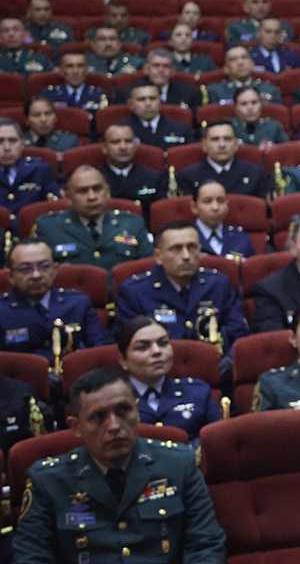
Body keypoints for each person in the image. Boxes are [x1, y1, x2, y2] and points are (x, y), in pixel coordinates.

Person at [12, 368, 226, 562]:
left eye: (123, 410)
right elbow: (31, 557)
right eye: (98, 416)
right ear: (75, 427)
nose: (114, 426)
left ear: (137, 411)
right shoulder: (48, 480)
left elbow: (206, 545)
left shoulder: (179, 464)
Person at [116, 221, 246, 372]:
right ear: (158, 256)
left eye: (192, 248)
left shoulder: (218, 284)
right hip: (159, 374)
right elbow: (129, 345)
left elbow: (237, 332)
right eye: (176, 249)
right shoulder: (135, 291)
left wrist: (228, 362)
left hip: (215, 369)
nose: (186, 256)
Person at [0, 238, 111, 362]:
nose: (36, 275)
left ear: (55, 269)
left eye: (44, 266)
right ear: (10, 276)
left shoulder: (78, 303)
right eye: (25, 269)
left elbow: (101, 349)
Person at [116, 316, 221, 443]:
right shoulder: (112, 400)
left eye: (163, 343)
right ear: (124, 361)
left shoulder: (198, 391)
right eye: (143, 347)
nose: (157, 351)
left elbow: (216, 440)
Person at [34, 166, 153, 270]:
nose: (92, 197)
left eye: (97, 189)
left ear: (108, 192)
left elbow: (148, 268)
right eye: (82, 191)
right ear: (68, 197)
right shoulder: (48, 227)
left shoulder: (132, 224)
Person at [176, 120, 268, 198]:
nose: (222, 145)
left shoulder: (255, 173)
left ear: (236, 144)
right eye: (215, 139)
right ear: (204, 145)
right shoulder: (189, 175)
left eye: (227, 139)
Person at [0, 117, 60, 223]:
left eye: (12, 141)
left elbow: (55, 210)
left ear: (22, 144)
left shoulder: (40, 169)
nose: (7, 147)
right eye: (0, 141)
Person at [101, 123, 166, 213]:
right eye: (116, 142)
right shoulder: (95, 178)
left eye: (128, 141)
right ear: (104, 147)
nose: (123, 147)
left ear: (135, 145)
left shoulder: (153, 178)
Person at [192, 180, 257, 260]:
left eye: (220, 201)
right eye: (207, 201)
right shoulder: (185, 238)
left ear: (227, 205)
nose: (215, 207)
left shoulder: (240, 237)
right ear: (194, 207)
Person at [120, 81, 195, 150]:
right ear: (130, 104)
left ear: (160, 101)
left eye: (153, 98)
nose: (148, 104)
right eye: (141, 99)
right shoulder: (120, 130)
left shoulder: (180, 129)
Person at [117, 49, 202, 109]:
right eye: (156, 65)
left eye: (166, 66)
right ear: (146, 69)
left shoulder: (189, 93)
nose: (161, 70)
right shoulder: (129, 92)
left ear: (172, 71)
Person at [203, 44, 283, 105]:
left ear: (252, 64)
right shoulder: (215, 91)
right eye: (233, 59)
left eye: (244, 57)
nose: (240, 63)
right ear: (226, 68)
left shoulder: (270, 90)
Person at [41, 50, 108, 113]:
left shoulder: (99, 96)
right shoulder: (48, 96)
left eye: (80, 66)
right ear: (61, 70)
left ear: (87, 69)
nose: (75, 71)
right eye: (70, 66)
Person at [226, 0, 294, 45]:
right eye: (255, 2)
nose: (261, 6)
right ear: (246, 7)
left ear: (269, 6)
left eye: (264, 2)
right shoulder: (235, 28)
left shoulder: (284, 27)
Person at [85, 0, 150, 46]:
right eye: (114, 15)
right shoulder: (93, 34)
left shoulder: (141, 37)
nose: (119, 19)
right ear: (106, 18)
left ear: (129, 17)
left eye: (123, 15)